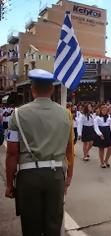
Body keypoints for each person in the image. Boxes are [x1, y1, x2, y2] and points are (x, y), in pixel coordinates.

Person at [5, 69, 74, 236]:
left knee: (31, 227)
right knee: (53, 226)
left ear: (32, 89)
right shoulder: (66, 115)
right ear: (51, 89)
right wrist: (68, 177)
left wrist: (9, 184)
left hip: (29, 177)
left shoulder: (18, 114)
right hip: (56, 175)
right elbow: (69, 151)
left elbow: (12, 153)